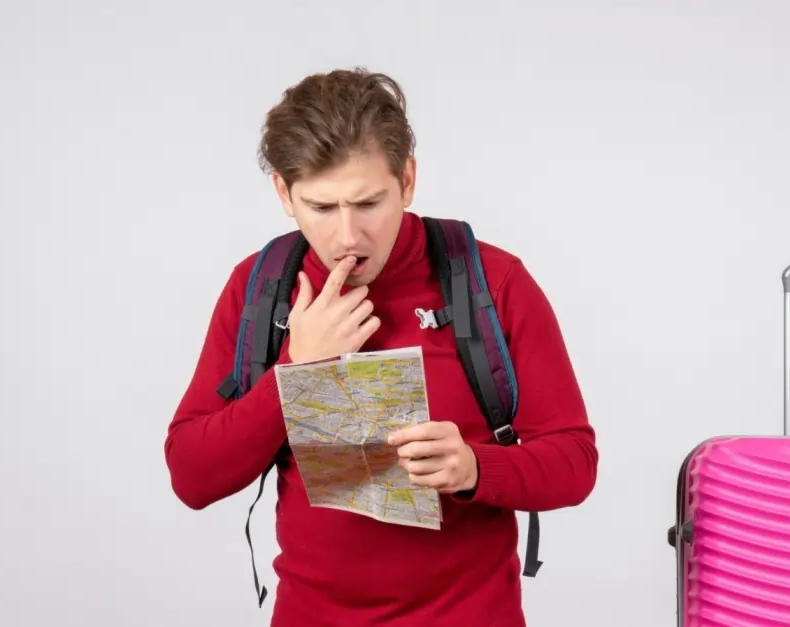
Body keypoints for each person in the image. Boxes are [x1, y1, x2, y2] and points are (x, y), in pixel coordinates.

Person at [164, 67, 598, 627]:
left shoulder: (493, 282)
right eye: (321, 208)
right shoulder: (261, 288)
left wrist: (473, 467)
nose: (348, 236)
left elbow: (575, 463)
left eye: (369, 203)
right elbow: (192, 477)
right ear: (284, 193)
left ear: (407, 180)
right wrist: (298, 369)